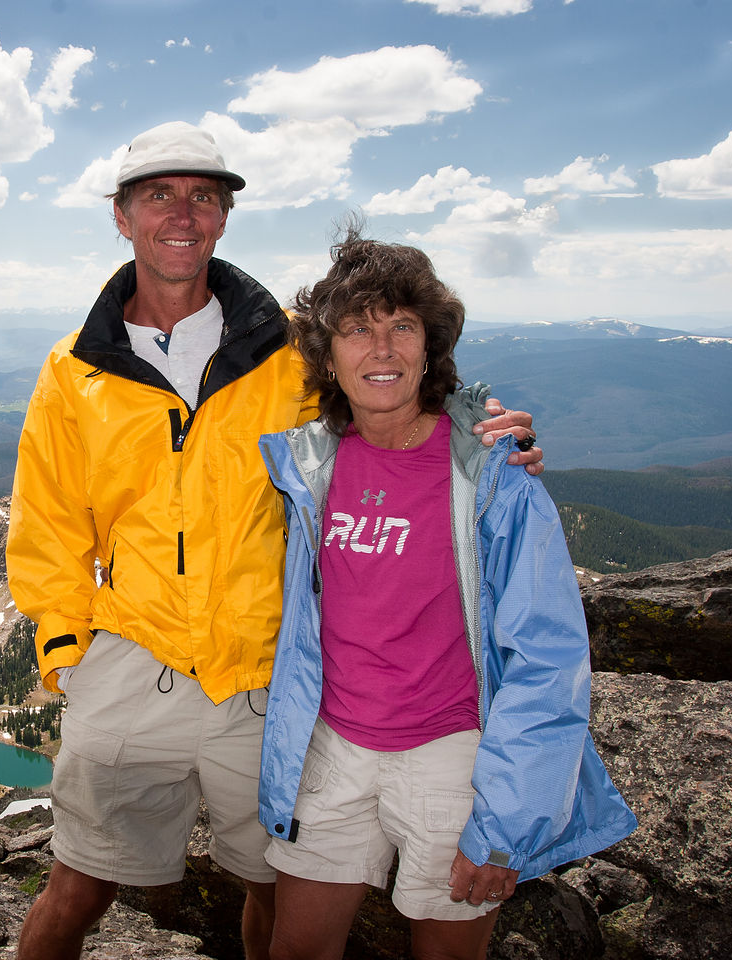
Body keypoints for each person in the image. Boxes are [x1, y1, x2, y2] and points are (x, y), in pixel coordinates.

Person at [5, 122, 543, 960]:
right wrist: (66, 651)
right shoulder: (75, 368)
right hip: (129, 659)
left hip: (264, 675)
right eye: (160, 196)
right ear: (122, 216)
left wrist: (483, 430)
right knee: (78, 884)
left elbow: (389, 391)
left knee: (275, 887)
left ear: (223, 217)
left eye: (204, 197)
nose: (183, 214)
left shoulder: (291, 348)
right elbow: (47, 524)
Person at [257, 228, 636, 960]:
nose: (383, 349)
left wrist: (507, 825)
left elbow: (547, 656)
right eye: (356, 330)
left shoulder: (491, 474)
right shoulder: (311, 467)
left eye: (402, 326)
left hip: (451, 757)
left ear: (430, 346)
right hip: (331, 746)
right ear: (327, 356)